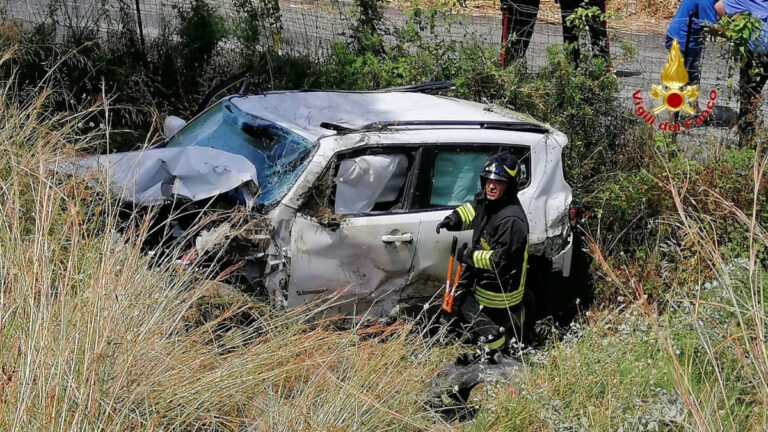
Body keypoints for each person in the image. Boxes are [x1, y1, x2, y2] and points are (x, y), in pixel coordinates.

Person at [435, 152, 531, 365]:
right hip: (483, 279)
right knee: (460, 299)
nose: (491, 186)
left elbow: (501, 261)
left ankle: (498, 350)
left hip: (500, 290)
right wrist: (454, 219)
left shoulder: (512, 220)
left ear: (510, 186)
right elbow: (473, 209)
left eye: (498, 182)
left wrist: (469, 256)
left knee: (469, 307)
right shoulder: (488, 200)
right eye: (488, 180)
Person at [715, 0, 768, 145]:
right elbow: (719, 7)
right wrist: (732, 31)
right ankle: (746, 142)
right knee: (749, 97)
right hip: (755, 57)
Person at [666, 0, 719, 88]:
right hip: (681, 39)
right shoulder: (706, 1)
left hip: (693, 40)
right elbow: (711, 28)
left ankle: (691, 101)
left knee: (692, 80)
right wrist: (732, 34)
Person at [500, 0, 541, 67]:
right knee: (509, 32)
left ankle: (515, 64)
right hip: (511, 3)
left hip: (530, 4)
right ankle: (506, 65)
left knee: (525, 33)